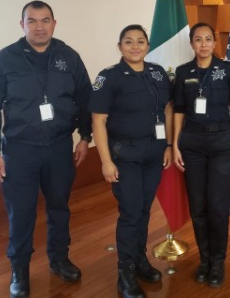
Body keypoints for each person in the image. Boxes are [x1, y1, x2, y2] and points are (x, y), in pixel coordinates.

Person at [0, 1, 92, 298]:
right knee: (21, 212)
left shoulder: (68, 56)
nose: (39, 27)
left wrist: (85, 136)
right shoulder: (4, 60)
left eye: (45, 20)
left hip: (59, 147)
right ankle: (20, 270)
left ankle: (59, 259)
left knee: (59, 206)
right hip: (20, 150)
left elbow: (85, 97)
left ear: (54, 23)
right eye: (32, 21)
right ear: (22, 25)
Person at [88, 24, 172, 298]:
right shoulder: (109, 77)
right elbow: (98, 121)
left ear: (148, 46)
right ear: (120, 46)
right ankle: (125, 273)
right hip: (125, 156)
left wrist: (169, 145)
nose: (135, 46)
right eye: (128, 41)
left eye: (140, 41)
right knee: (131, 212)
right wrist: (105, 161)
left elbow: (167, 109)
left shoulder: (157, 73)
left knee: (144, 209)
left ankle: (139, 259)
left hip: (153, 153)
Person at [172, 22, 230, 288]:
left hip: (221, 143)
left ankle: (217, 262)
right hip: (191, 143)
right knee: (198, 206)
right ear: (192, 43)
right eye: (198, 39)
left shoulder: (228, 70)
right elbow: (179, 110)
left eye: (208, 39)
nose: (203, 44)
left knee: (218, 206)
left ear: (215, 43)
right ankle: (204, 261)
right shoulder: (183, 72)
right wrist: (175, 144)